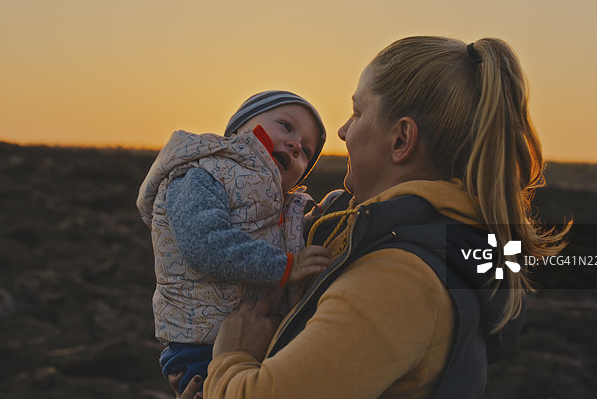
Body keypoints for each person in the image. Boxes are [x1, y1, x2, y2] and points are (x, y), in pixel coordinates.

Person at [175, 37, 569, 398]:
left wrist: (229, 360)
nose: (345, 131)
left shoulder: (399, 280)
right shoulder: (409, 239)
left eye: (358, 111)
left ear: (401, 140)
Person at [137, 91, 332, 393]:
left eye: (306, 151)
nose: (295, 145)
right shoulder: (201, 174)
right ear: (238, 130)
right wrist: (285, 267)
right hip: (202, 343)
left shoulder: (278, 204)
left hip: (252, 338)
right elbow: (205, 244)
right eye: (285, 126)